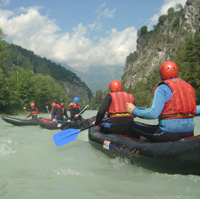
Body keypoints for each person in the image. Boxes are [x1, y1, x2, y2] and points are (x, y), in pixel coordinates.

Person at [126, 61, 196, 142]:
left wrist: (134, 111)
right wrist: (137, 108)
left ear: (162, 74)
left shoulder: (162, 88)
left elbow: (154, 114)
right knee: (154, 127)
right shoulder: (189, 87)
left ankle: (135, 150)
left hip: (167, 133)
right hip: (189, 132)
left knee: (132, 126)